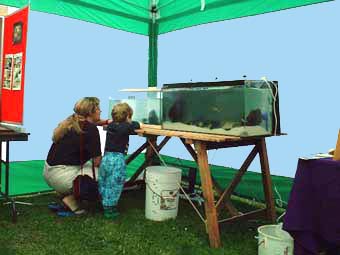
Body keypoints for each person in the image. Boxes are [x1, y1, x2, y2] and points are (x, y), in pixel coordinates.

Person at [43, 97, 109, 216]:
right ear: (90, 112)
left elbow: (93, 121)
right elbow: (97, 162)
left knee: (88, 166)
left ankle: (65, 195)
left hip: (49, 173)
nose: (101, 111)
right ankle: (71, 200)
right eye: (98, 109)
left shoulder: (70, 121)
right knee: (105, 171)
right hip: (62, 176)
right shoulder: (91, 130)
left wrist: (106, 122)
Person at [98, 102, 142, 219]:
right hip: (117, 159)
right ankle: (110, 209)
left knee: (105, 181)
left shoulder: (112, 125)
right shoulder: (127, 126)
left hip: (106, 157)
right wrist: (132, 122)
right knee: (115, 183)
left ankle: (103, 201)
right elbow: (136, 125)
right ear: (128, 116)